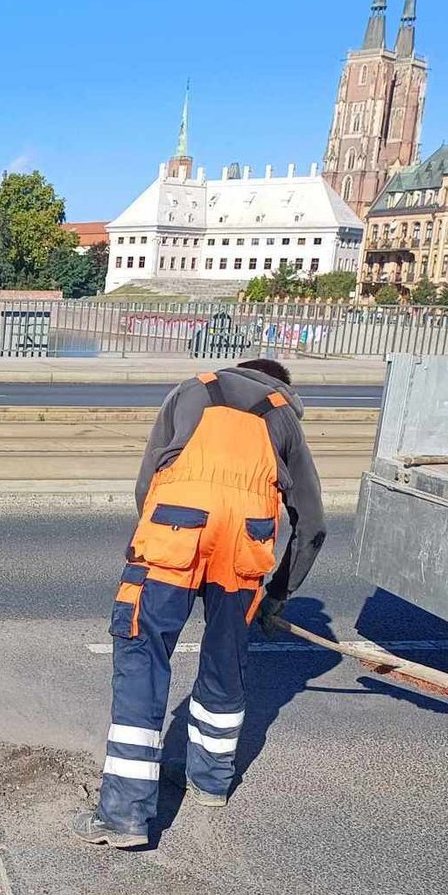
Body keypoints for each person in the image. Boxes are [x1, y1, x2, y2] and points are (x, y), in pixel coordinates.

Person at [76, 358, 326, 850]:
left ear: (237, 370)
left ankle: (124, 814)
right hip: (245, 540)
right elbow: (312, 525)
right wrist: (278, 593)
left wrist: (160, 536)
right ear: (279, 383)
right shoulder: (284, 415)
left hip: (176, 525)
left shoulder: (191, 390)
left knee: (143, 653)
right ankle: (210, 782)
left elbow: (147, 482)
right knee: (225, 658)